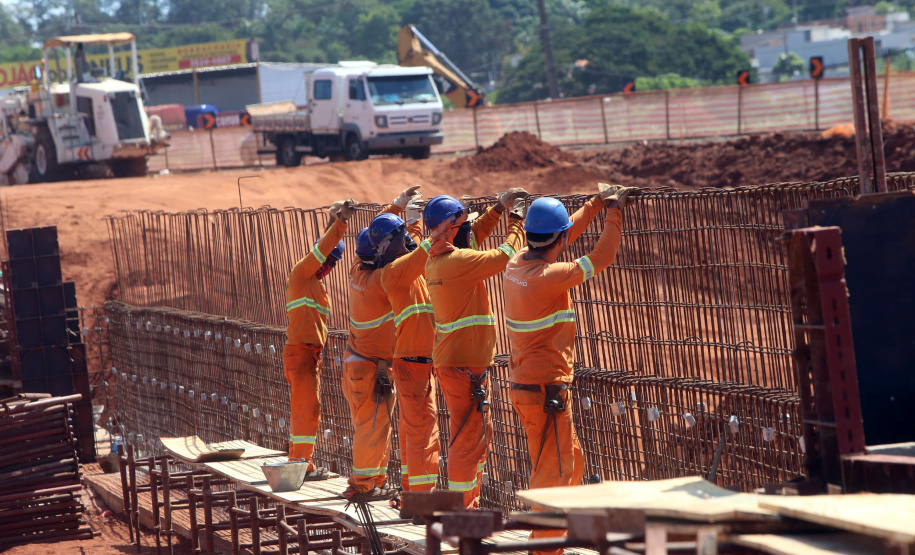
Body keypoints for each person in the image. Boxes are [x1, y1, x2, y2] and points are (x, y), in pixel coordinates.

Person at [502, 184, 635, 554]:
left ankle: (556, 540)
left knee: (570, 461)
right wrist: (613, 210)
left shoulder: (517, 265)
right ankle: (544, 549)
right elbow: (602, 256)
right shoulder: (551, 276)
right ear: (557, 239)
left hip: (531, 386)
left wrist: (594, 204)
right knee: (554, 476)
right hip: (546, 389)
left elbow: (563, 234)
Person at [422, 189, 528, 508]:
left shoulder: (437, 256)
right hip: (464, 369)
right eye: (462, 223)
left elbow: (471, 235)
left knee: (477, 437)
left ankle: (471, 501)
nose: (468, 228)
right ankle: (462, 510)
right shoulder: (457, 263)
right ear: (448, 227)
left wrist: (496, 209)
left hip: (465, 366)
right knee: (468, 442)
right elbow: (504, 255)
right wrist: (516, 219)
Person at [339, 187, 419, 501]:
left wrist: (398, 209)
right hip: (370, 368)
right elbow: (414, 259)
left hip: (361, 365)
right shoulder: (381, 281)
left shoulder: (359, 268)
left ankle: (374, 481)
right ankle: (360, 486)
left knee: (376, 425)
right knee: (372, 427)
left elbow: (375, 235)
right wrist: (431, 230)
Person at [369, 187, 441, 494]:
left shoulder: (402, 264)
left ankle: (412, 491)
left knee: (415, 431)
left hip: (418, 361)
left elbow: (401, 238)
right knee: (424, 433)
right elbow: (419, 247)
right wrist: (440, 225)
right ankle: (420, 500)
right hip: (414, 362)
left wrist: (408, 214)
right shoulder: (395, 272)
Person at [284, 198, 357, 480]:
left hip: (309, 355)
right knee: (305, 409)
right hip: (300, 353)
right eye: (328, 263)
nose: (329, 268)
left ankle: (301, 461)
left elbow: (324, 247)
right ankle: (300, 463)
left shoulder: (316, 284)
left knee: (309, 408)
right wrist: (341, 223)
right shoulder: (301, 274)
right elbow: (322, 247)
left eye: (333, 265)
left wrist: (334, 217)